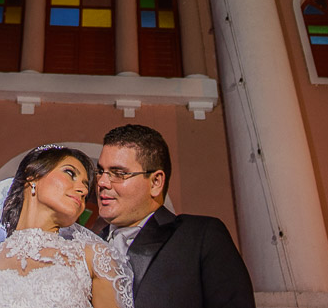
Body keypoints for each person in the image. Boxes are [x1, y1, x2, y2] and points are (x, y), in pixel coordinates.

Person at [0, 144, 133, 308]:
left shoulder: (93, 256)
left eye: (85, 186)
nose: (81, 189)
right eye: (70, 173)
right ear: (32, 176)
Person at [97, 125, 255, 308]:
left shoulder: (200, 236)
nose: (102, 182)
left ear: (156, 182)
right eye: (100, 171)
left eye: (119, 173)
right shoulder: (85, 244)